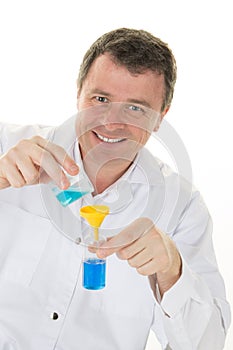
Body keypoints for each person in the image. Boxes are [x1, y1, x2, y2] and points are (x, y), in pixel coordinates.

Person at [0, 27, 231, 350]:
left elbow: (207, 344)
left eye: (136, 108)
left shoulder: (182, 208)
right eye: (101, 99)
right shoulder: (7, 147)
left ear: (160, 118)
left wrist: (172, 270)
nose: (111, 123)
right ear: (78, 93)